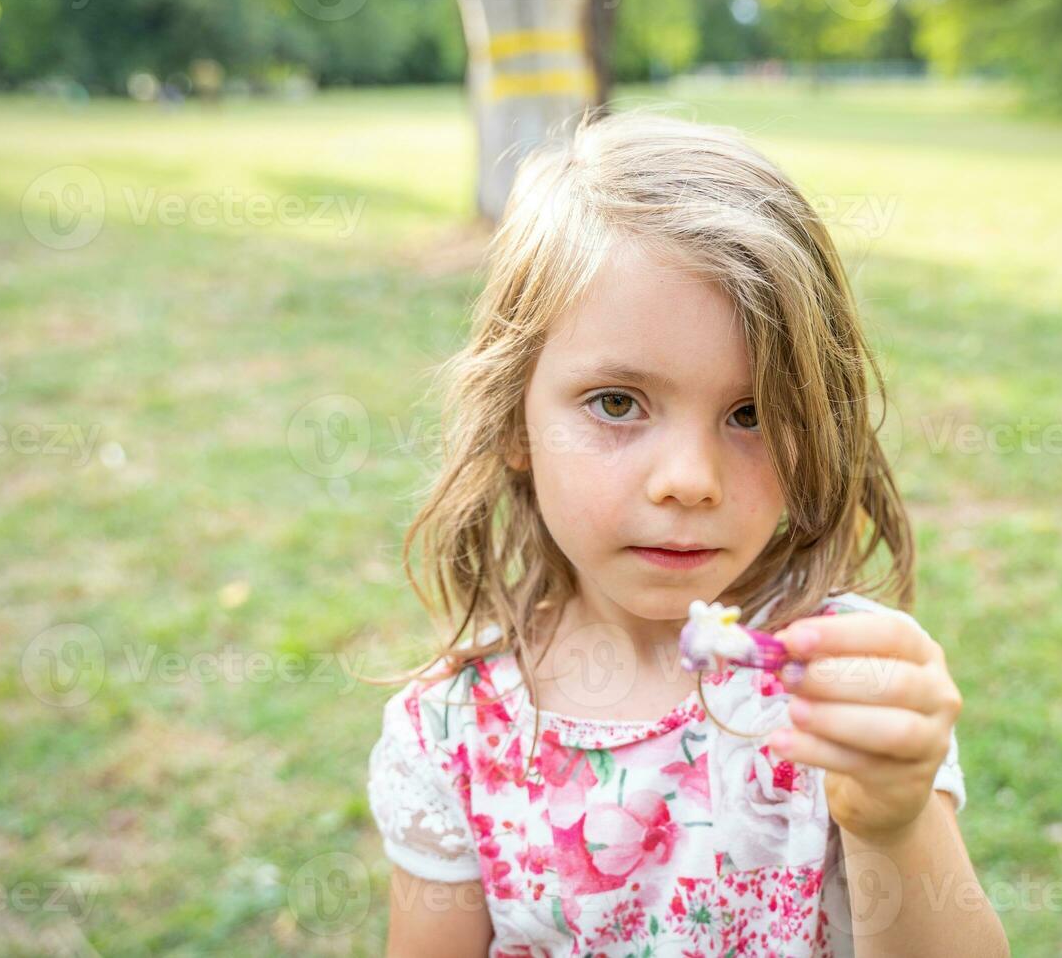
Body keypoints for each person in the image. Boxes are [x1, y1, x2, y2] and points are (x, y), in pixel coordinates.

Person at [366, 106, 1009, 957]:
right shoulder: (453, 731)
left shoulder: (841, 681)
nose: (690, 481)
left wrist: (893, 824)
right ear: (515, 421)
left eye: (750, 414)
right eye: (617, 404)